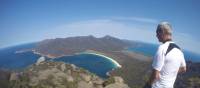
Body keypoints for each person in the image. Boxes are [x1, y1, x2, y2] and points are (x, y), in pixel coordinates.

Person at [147, 22, 187, 88]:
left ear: (162, 32)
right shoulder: (179, 50)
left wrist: (148, 84)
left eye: (157, 32)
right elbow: (183, 68)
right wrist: (169, 73)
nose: (156, 35)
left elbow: (155, 75)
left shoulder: (162, 48)